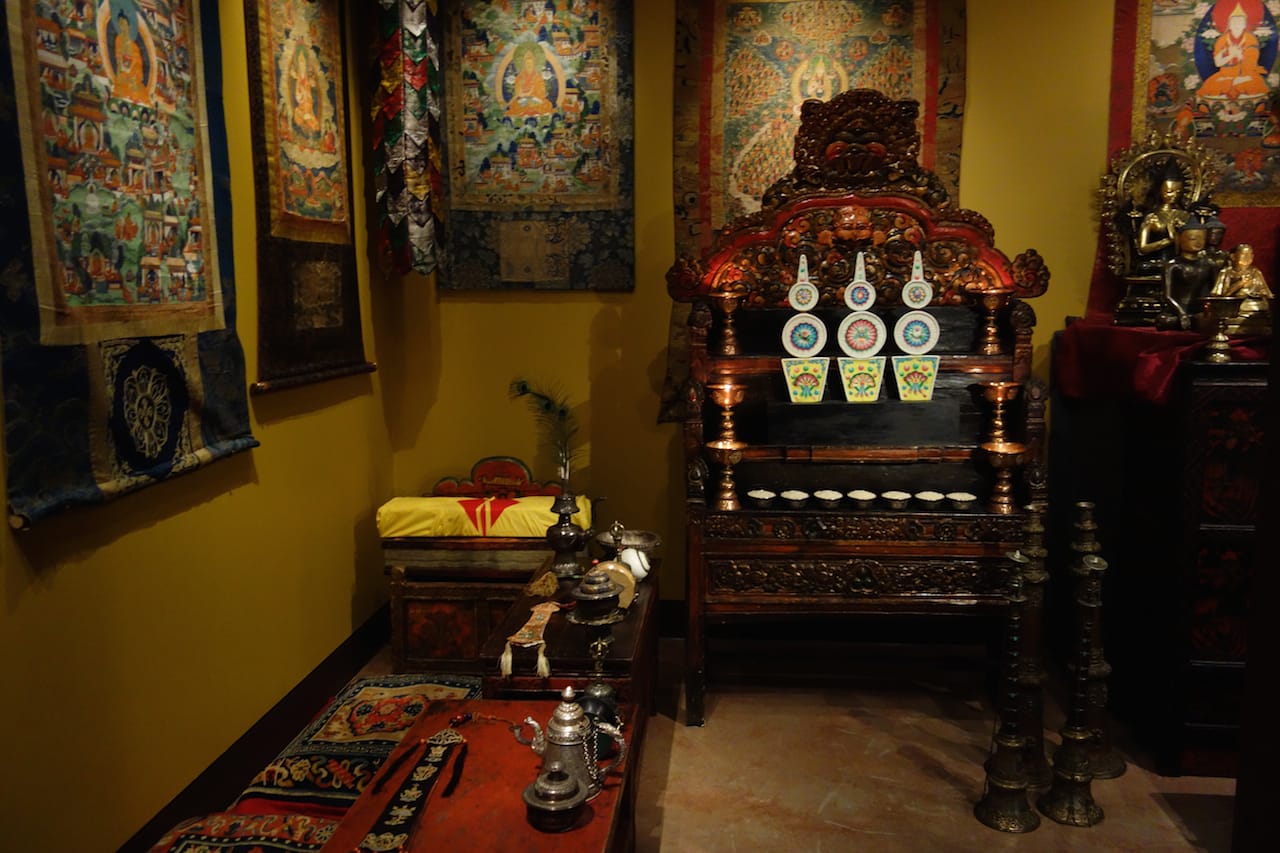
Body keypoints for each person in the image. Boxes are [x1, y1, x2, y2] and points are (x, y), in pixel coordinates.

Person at [1198, 4, 1270, 101]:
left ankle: (1233, 84)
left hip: (1247, 74)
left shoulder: (1250, 40)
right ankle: (1231, 84)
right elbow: (1217, 63)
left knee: (1254, 83)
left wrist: (1240, 57)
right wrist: (1231, 55)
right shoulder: (1222, 40)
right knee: (1212, 84)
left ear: (1245, 25)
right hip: (1225, 74)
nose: (1237, 25)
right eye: (1234, 23)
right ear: (1229, 25)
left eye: (1240, 23)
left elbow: (1251, 63)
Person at [1160, 221, 1219, 329]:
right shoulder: (1172, 266)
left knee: (1208, 320)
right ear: (1180, 240)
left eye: (1202, 239)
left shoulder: (1210, 264)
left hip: (1200, 310)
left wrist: (1209, 308)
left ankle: (1195, 321)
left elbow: (1215, 291)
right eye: (1193, 239)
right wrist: (1181, 313)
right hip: (1177, 310)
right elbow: (1167, 296)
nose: (1198, 242)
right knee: (1164, 321)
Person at [1210, 242, 1274, 332]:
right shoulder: (1226, 272)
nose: (1247, 257)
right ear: (1233, 257)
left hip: (1254, 306)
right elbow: (1219, 295)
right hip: (1235, 306)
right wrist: (1238, 285)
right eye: (1244, 254)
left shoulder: (1255, 272)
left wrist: (1261, 294)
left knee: (1263, 306)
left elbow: (1267, 293)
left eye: (1250, 255)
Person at [1134, 176, 1189, 275]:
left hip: (1180, 262)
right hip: (1156, 262)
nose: (1174, 196)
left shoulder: (1186, 215)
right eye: (1169, 191)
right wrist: (1169, 241)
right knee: (1144, 267)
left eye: (1178, 192)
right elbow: (1143, 248)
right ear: (1159, 191)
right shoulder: (1152, 217)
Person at [506, 48, 554, 118]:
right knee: (514, 105)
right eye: (527, 63)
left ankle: (530, 112)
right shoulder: (519, 77)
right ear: (524, 64)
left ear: (534, 64)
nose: (529, 65)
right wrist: (524, 95)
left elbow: (542, 92)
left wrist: (535, 97)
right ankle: (528, 112)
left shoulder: (538, 76)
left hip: (536, 100)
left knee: (547, 104)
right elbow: (517, 93)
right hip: (523, 100)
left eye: (531, 63)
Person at [111, 13, 148, 102]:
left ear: (129, 26)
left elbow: (139, 61)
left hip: (134, 74)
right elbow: (116, 57)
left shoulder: (134, 44)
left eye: (124, 24)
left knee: (137, 89)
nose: (123, 27)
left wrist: (132, 67)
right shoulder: (118, 40)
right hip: (123, 74)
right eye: (120, 24)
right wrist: (122, 65)